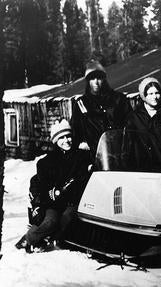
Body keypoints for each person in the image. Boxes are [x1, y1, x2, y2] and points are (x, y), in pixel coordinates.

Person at [16, 120, 92, 252]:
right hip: (54, 202)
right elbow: (43, 185)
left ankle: (53, 239)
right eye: (61, 138)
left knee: (67, 219)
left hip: (73, 201)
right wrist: (50, 195)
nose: (66, 140)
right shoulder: (46, 162)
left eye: (68, 136)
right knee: (51, 221)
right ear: (55, 140)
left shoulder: (82, 156)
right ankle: (29, 238)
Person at [70, 60, 133, 159]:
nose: (96, 82)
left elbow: (130, 123)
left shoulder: (118, 99)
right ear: (88, 81)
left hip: (119, 152)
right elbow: (75, 130)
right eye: (92, 78)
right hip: (95, 155)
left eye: (99, 78)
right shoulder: (82, 104)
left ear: (104, 79)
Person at [126, 77, 161, 174]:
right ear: (143, 96)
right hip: (142, 169)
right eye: (150, 94)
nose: (154, 97)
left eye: (157, 93)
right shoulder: (134, 117)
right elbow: (129, 144)